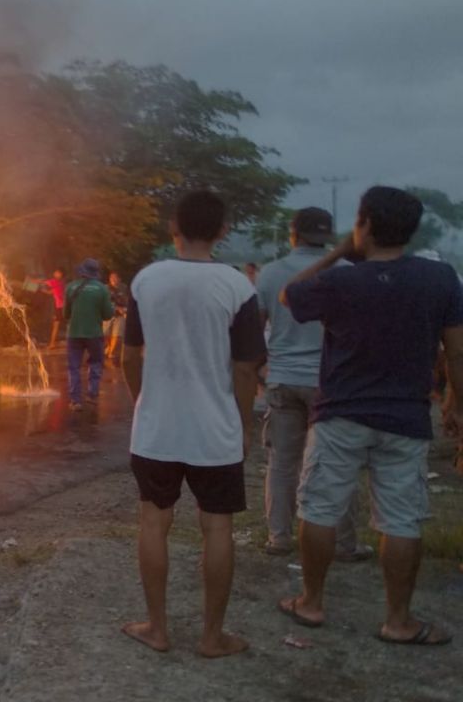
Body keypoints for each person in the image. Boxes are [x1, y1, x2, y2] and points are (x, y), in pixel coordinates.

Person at [278, 186, 462, 646]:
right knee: (401, 520)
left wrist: (341, 250)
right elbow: (457, 351)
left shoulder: (340, 281)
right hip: (406, 418)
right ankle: (399, 620)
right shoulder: (440, 279)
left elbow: (289, 296)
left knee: (320, 508)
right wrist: (456, 401)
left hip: (340, 414)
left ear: (364, 224)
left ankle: (312, 602)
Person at [121, 189, 265, 658]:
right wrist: (242, 424)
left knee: (153, 521)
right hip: (215, 429)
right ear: (223, 231)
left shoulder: (147, 280)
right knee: (216, 528)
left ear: (173, 228)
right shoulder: (237, 286)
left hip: (156, 428)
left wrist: (141, 400)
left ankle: (157, 629)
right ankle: (211, 637)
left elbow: (130, 355)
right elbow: (246, 368)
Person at [255, 208, 369, 561]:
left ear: (293, 235)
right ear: (329, 237)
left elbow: (254, 328)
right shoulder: (350, 273)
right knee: (338, 463)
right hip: (332, 383)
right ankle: (344, 543)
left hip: (284, 379)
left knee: (282, 462)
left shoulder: (270, 273)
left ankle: (279, 537)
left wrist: (264, 369)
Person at [64, 258, 114, 411]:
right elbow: (108, 314)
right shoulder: (102, 289)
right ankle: (92, 395)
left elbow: (66, 314)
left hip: (74, 333)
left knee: (74, 367)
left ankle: (75, 401)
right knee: (95, 364)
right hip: (94, 333)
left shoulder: (70, 287)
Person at [38, 267, 67, 350]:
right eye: (55, 272)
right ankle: (53, 343)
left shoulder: (54, 282)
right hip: (63, 306)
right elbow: (52, 292)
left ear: (60, 274)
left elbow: (42, 282)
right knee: (58, 324)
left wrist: (29, 280)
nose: (55, 274)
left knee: (56, 325)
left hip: (59, 307)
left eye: (57, 272)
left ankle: (52, 343)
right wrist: (44, 291)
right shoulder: (61, 283)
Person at [105, 271, 128, 367]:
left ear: (120, 279)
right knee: (106, 333)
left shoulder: (124, 288)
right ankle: (108, 347)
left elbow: (127, 300)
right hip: (108, 313)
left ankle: (112, 352)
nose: (113, 280)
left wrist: (125, 309)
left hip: (120, 315)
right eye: (111, 278)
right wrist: (117, 308)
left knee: (117, 334)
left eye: (115, 278)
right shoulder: (105, 288)